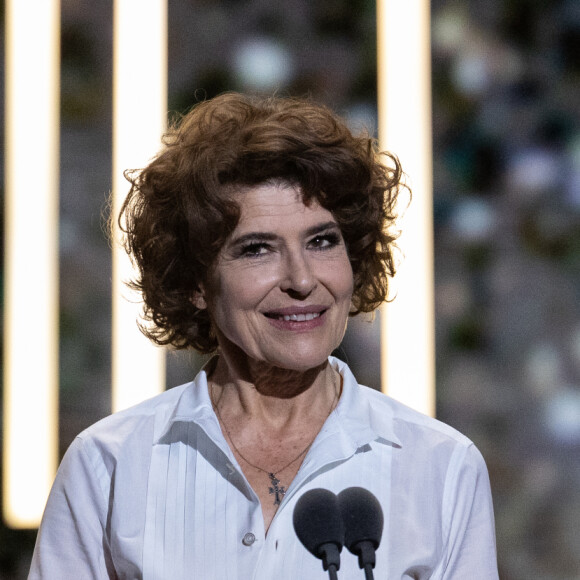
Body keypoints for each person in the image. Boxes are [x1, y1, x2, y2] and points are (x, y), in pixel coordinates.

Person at [29, 92, 499, 579]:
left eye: (322, 241)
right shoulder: (108, 465)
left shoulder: (442, 467)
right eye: (257, 249)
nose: (301, 279)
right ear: (195, 283)